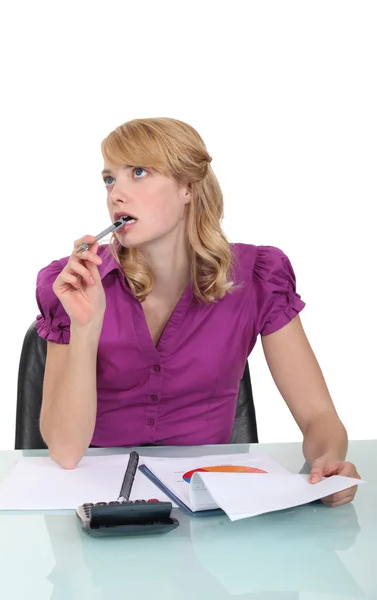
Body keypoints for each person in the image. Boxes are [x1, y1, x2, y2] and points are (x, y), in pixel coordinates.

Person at [35, 117, 360, 505]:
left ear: (187, 187)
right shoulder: (74, 283)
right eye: (109, 179)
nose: (116, 194)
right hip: (96, 502)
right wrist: (86, 326)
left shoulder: (258, 278)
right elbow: (66, 453)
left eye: (138, 173)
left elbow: (318, 414)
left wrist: (328, 460)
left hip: (209, 507)